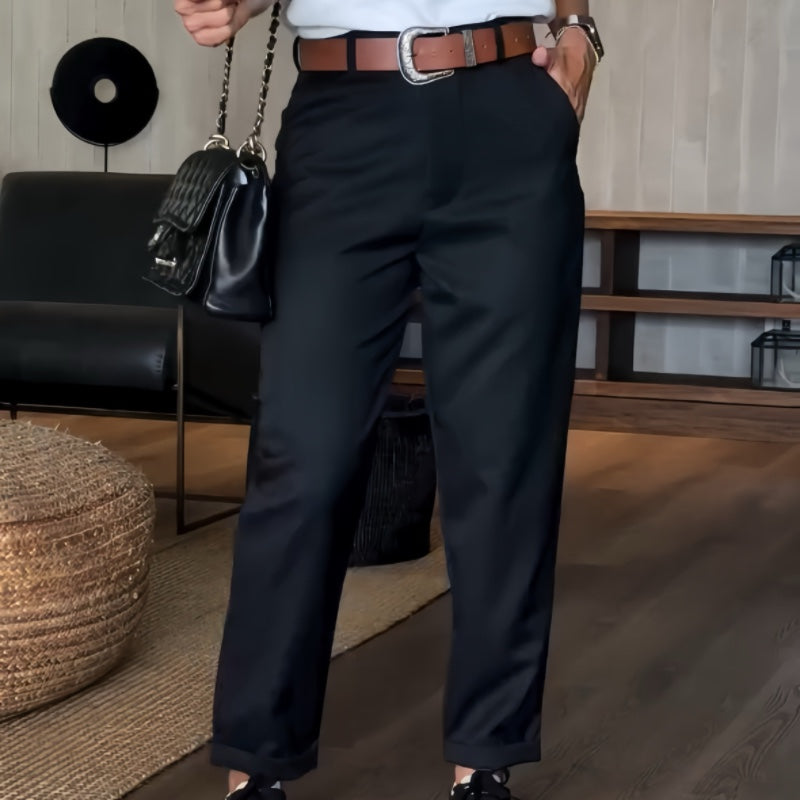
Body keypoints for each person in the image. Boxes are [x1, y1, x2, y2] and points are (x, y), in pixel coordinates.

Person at [173, 1, 602, 798]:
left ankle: (485, 761)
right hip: (345, 117)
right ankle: (256, 765)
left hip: (509, 110)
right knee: (304, 455)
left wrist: (579, 26)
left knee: (505, 455)